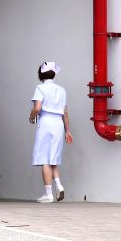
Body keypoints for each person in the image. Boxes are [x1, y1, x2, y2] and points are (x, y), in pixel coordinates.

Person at [29, 61, 73, 203]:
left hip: (46, 121)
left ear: (41, 74)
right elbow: (65, 113)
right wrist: (68, 131)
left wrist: (31, 116)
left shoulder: (40, 88)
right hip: (59, 124)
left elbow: (37, 107)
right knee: (52, 157)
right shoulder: (62, 90)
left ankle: (48, 193)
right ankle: (59, 185)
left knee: (44, 158)